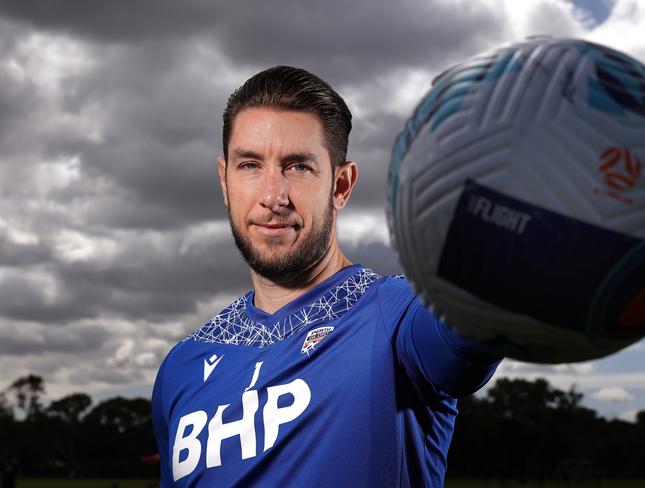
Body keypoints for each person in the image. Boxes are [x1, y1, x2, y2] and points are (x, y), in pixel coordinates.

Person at [151, 66, 502, 487]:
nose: (272, 197)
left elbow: (474, 319)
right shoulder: (181, 368)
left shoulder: (396, 317)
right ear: (224, 180)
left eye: (298, 167)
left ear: (341, 185)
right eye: (250, 165)